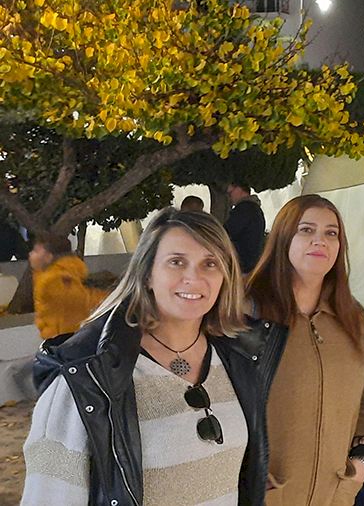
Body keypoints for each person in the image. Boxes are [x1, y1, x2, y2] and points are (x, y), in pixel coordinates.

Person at [22, 208, 267, 505]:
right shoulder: (88, 376)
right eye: (176, 262)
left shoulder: (238, 359)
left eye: (210, 263)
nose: (194, 277)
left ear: (225, 277)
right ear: (147, 274)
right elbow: (49, 495)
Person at [245, 195, 364, 505]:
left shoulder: (352, 317)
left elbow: (363, 400)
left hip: (334, 495)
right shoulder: (246, 311)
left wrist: (362, 460)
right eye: (306, 230)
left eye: (331, 233)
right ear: (283, 237)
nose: (320, 241)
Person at [29, 234, 107, 339]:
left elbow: (73, 310)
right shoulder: (70, 274)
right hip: (73, 337)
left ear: (48, 257)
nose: (31, 254)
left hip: (62, 339)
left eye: (36, 251)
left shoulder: (54, 280)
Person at [224, 183, 266, 273]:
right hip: (251, 261)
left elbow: (226, 232)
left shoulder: (244, 209)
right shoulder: (254, 208)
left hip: (242, 262)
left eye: (230, 193)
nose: (229, 197)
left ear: (239, 189)